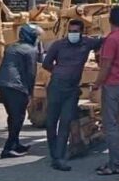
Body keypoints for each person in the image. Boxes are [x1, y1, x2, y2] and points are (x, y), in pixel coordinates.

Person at [42, 19, 102, 171]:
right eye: (71, 31)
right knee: (51, 123)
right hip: (55, 87)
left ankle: (59, 158)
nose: (72, 34)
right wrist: (59, 73)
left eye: (76, 31)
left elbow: (103, 41)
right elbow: (46, 64)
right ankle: (54, 154)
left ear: (82, 32)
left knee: (65, 123)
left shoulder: (87, 43)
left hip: (71, 90)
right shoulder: (58, 45)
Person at [93, 6, 119, 175]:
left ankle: (116, 164)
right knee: (115, 123)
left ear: (110, 19)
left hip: (111, 85)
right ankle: (113, 161)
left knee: (111, 126)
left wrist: (96, 83)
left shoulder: (111, 40)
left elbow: (106, 66)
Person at [0, 24, 41, 158]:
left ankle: (15, 143)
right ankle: (8, 148)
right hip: (16, 86)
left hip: (3, 83)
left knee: (13, 116)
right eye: (36, 35)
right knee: (18, 117)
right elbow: (31, 73)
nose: (37, 38)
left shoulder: (12, 47)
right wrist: (30, 94)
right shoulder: (30, 50)